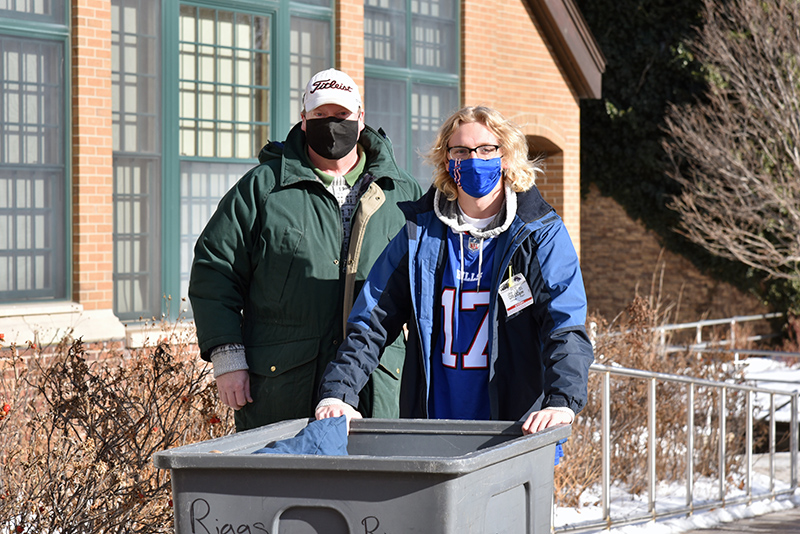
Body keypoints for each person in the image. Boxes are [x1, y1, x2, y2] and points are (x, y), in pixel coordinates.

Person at [315, 105, 594, 434]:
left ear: (506, 157)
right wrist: (338, 392)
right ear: (447, 160)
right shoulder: (419, 233)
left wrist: (562, 400)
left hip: (515, 430)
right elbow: (372, 319)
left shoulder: (539, 232)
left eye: (486, 149)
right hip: (435, 426)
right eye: (461, 150)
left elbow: (564, 325)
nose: (474, 159)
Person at [189, 68, 423, 431]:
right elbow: (215, 268)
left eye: (341, 116)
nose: (331, 125)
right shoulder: (263, 188)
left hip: (377, 384)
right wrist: (227, 357)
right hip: (281, 388)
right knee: (281, 487)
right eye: (320, 116)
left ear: (361, 118)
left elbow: (426, 284)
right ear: (303, 120)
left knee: (374, 485)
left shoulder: (403, 192)